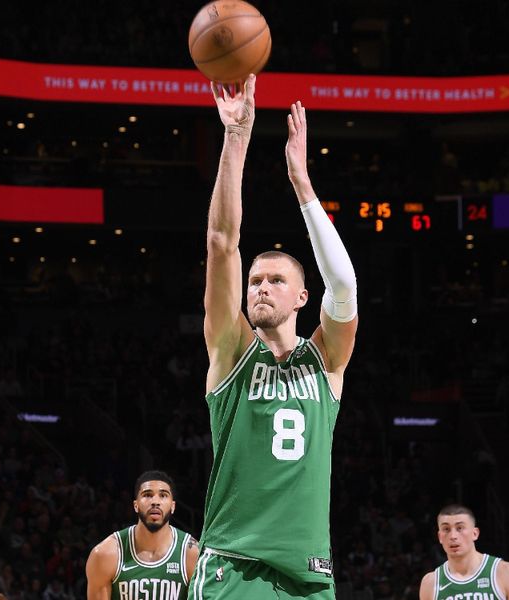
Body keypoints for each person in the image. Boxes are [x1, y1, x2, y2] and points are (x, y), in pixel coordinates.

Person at [190, 74, 358, 599]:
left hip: (310, 577)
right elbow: (221, 242)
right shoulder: (231, 351)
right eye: (255, 281)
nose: (260, 287)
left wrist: (302, 183)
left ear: (301, 299)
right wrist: (237, 136)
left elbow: (345, 284)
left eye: (275, 280)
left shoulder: (326, 361)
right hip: (234, 567)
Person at [86, 471, 199, 600]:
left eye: (163, 495)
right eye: (147, 495)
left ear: (173, 506)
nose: (155, 501)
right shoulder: (105, 554)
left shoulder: (191, 554)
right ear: (136, 505)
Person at [419, 505, 509, 600]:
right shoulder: (430, 583)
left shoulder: (506, 572)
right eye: (446, 529)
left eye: (459, 528)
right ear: (440, 537)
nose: (453, 536)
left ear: (475, 533)